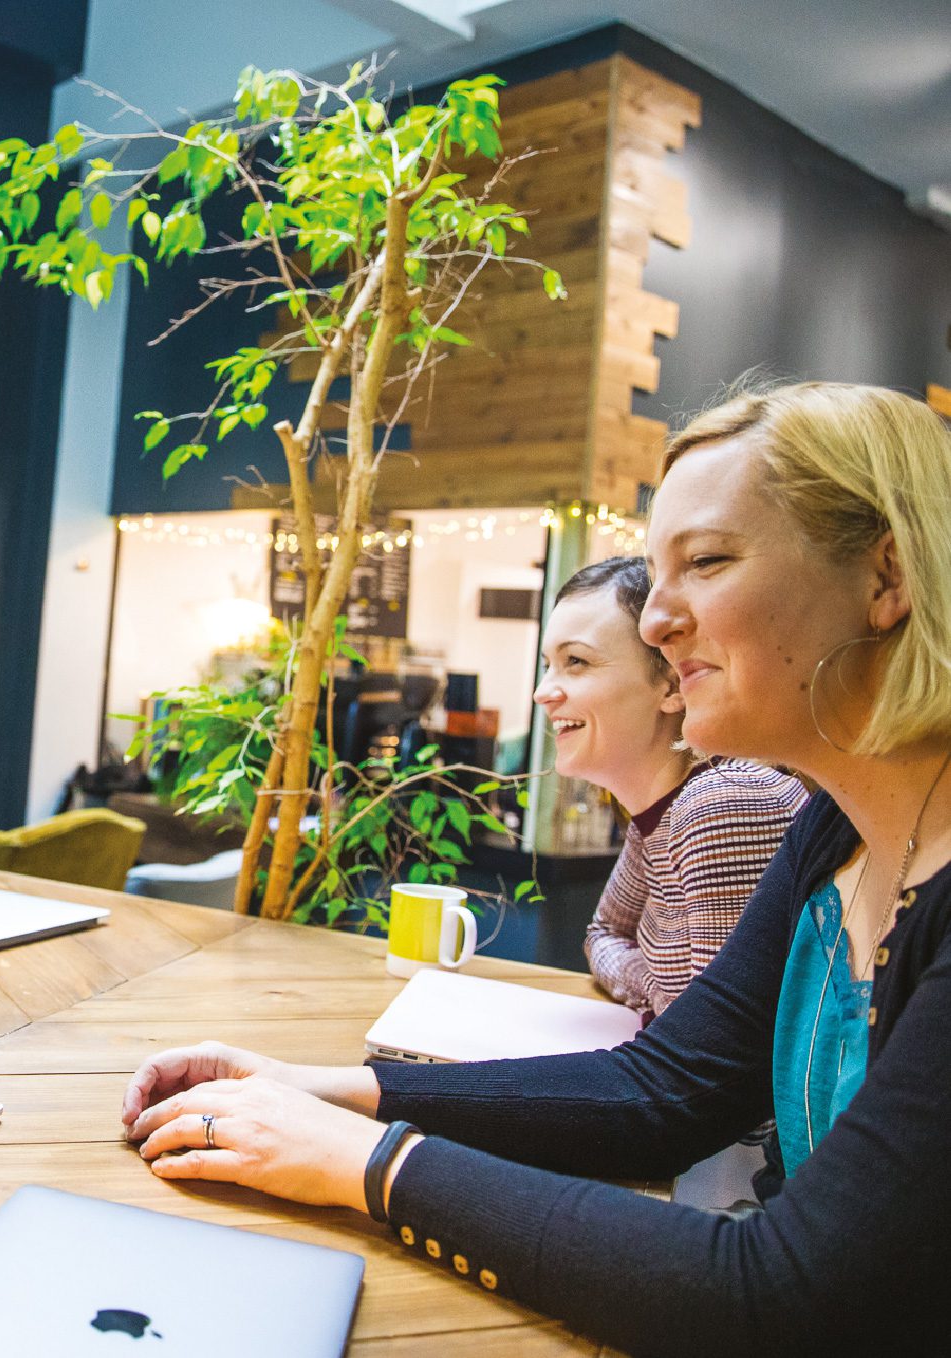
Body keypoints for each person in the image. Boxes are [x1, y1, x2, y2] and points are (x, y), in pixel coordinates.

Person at [119, 382, 951, 1355]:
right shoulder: (830, 831)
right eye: (654, 573)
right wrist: (327, 1089)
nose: (653, 621)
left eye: (708, 562)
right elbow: (662, 1091)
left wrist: (367, 1161)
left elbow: (774, 1293)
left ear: (885, 575)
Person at [535, 555, 807, 1017]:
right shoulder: (657, 813)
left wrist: (664, 1000)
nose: (544, 692)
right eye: (549, 664)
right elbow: (602, 936)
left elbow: (704, 1045)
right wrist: (656, 988)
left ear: (671, 683)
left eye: (576, 661)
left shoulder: (724, 802)